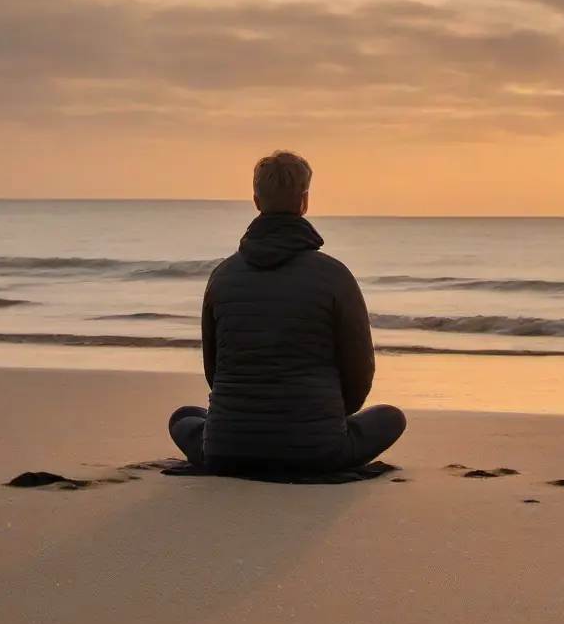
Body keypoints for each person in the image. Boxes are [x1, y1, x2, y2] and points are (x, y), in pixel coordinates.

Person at [169, 151, 405, 475]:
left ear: (255, 201)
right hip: (316, 451)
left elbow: (214, 370)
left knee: (184, 417)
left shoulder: (222, 276)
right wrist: (330, 416)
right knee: (391, 417)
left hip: (226, 449)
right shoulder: (335, 275)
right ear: (304, 202)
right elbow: (360, 370)